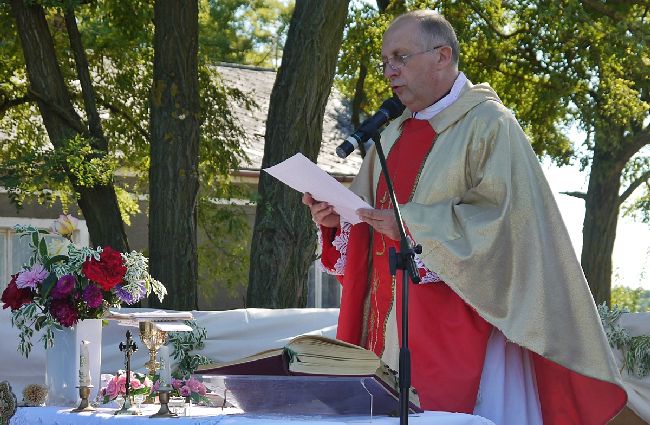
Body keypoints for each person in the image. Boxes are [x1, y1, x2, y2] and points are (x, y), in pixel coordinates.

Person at [303, 10, 627, 425]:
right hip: (385, 329)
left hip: (463, 326)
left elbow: (506, 225)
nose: (389, 72)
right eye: (385, 62)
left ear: (442, 55)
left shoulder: (490, 125)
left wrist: (414, 224)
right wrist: (337, 223)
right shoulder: (390, 134)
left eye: (400, 58)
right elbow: (368, 223)